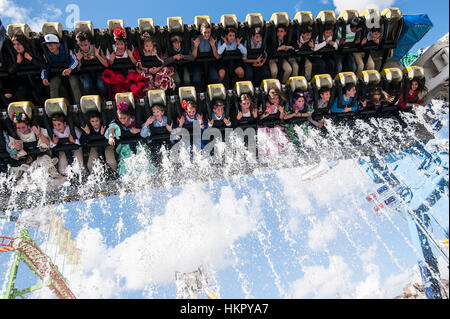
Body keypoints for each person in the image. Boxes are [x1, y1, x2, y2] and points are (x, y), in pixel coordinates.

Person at [105, 101, 155, 177]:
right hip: (125, 145)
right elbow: (112, 128)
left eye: (124, 118)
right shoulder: (118, 122)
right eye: (120, 118)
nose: (122, 120)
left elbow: (145, 131)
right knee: (126, 160)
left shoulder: (135, 120)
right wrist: (111, 137)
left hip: (138, 143)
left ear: (128, 116)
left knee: (142, 157)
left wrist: (138, 130)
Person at [41, 34, 83, 105]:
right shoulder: (47, 55)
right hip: (57, 74)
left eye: (52, 44)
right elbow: (45, 67)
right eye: (48, 45)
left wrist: (70, 69)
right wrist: (44, 77)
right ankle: (55, 107)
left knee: (74, 83)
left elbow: (75, 61)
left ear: (58, 45)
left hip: (71, 72)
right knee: (53, 84)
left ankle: (79, 105)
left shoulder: (67, 50)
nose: (50, 47)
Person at [8, 33, 47, 105]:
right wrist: (18, 62)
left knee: (39, 90)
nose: (16, 47)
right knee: (24, 91)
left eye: (19, 44)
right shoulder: (14, 55)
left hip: (37, 77)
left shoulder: (33, 51)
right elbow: (10, 71)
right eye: (14, 44)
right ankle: (33, 106)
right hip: (25, 79)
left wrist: (31, 58)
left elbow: (44, 65)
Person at [75, 31, 108, 99]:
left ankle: (105, 99)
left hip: (98, 70)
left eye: (86, 45)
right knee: (87, 86)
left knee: (100, 84)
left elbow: (106, 64)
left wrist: (97, 55)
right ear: (78, 44)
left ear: (89, 43)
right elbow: (78, 69)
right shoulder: (78, 51)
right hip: (86, 71)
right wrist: (79, 60)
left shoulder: (95, 48)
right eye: (81, 45)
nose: (84, 48)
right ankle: (91, 100)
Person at [191, 22, 220, 90]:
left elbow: (217, 56)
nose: (207, 35)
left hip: (210, 62)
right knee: (196, 79)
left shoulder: (213, 39)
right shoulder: (196, 39)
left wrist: (213, 45)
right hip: (198, 62)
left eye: (208, 32)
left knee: (215, 78)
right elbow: (193, 57)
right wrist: (196, 46)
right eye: (205, 32)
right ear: (201, 32)